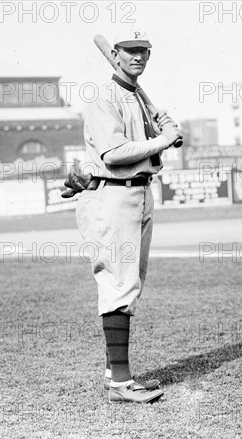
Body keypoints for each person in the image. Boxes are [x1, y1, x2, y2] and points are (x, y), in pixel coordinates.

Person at [74, 27, 182, 403]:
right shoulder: (103, 96)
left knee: (131, 281)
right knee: (118, 283)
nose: (138, 57)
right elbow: (113, 153)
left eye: (144, 51)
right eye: (130, 51)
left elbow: (149, 145)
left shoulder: (135, 97)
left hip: (139, 192)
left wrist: (162, 126)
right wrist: (162, 140)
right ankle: (120, 382)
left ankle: (114, 372)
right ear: (115, 55)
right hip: (114, 194)